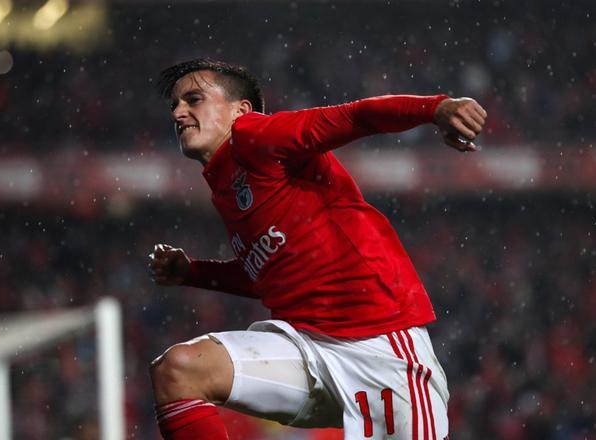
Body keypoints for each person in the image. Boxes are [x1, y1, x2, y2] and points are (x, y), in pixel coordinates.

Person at [148, 58, 486, 440]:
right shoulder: (225, 184)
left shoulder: (255, 135)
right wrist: (193, 273)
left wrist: (435, 108)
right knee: (178, 369)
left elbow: (355, 117)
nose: (178, 112)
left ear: (240, 110)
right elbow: (271, 276)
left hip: (377, 346)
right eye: (175, 105)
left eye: (193, 99)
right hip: (306, 350)